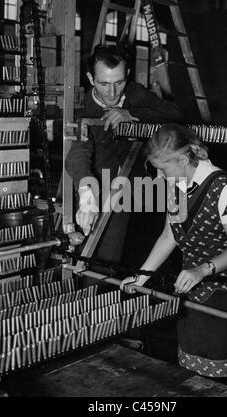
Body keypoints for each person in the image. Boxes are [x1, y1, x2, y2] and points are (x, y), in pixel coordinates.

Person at [121, 123, 227, 377]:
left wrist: (203, 269)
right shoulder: (175, 188)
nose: (159, 177)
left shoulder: (225, 190)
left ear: (185, 159)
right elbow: (169, 236)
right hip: (192, 288)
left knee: (224, 372)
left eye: (163, 170)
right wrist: (140, 278)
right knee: (192, 370)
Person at [65, 45, 183, 263]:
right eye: (104, 84)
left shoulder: (134, 93)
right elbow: (78, 154)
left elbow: (174, 113)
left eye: (118, 83)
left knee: (112, 259)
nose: (112, 92)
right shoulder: (82, 107)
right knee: (83, 258)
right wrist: (88, 196)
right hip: (94, 187)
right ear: (91, 78)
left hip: (130, 189)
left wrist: (131, 114)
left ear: (127, 75)